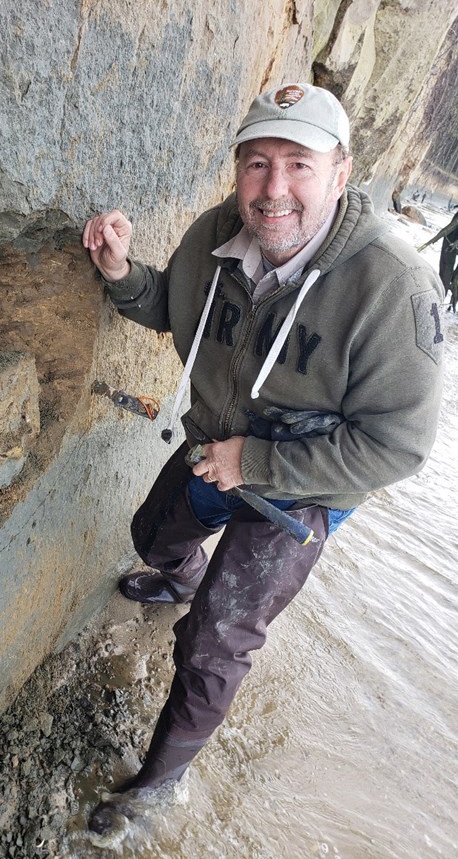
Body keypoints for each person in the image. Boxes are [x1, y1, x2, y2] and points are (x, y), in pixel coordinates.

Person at [82, 82, 445, 833]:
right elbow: (171, 305)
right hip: (216, 444)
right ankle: (179, 581)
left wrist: (259, 463)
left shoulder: (393, 286)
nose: (273, 189)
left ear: (342, 173)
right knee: (154, 535)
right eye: (256, 163)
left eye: (298, 165)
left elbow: (398, 445)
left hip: (302, 488)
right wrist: (121, 272)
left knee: (216, 640)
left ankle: (156, 789)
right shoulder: (219, 232)